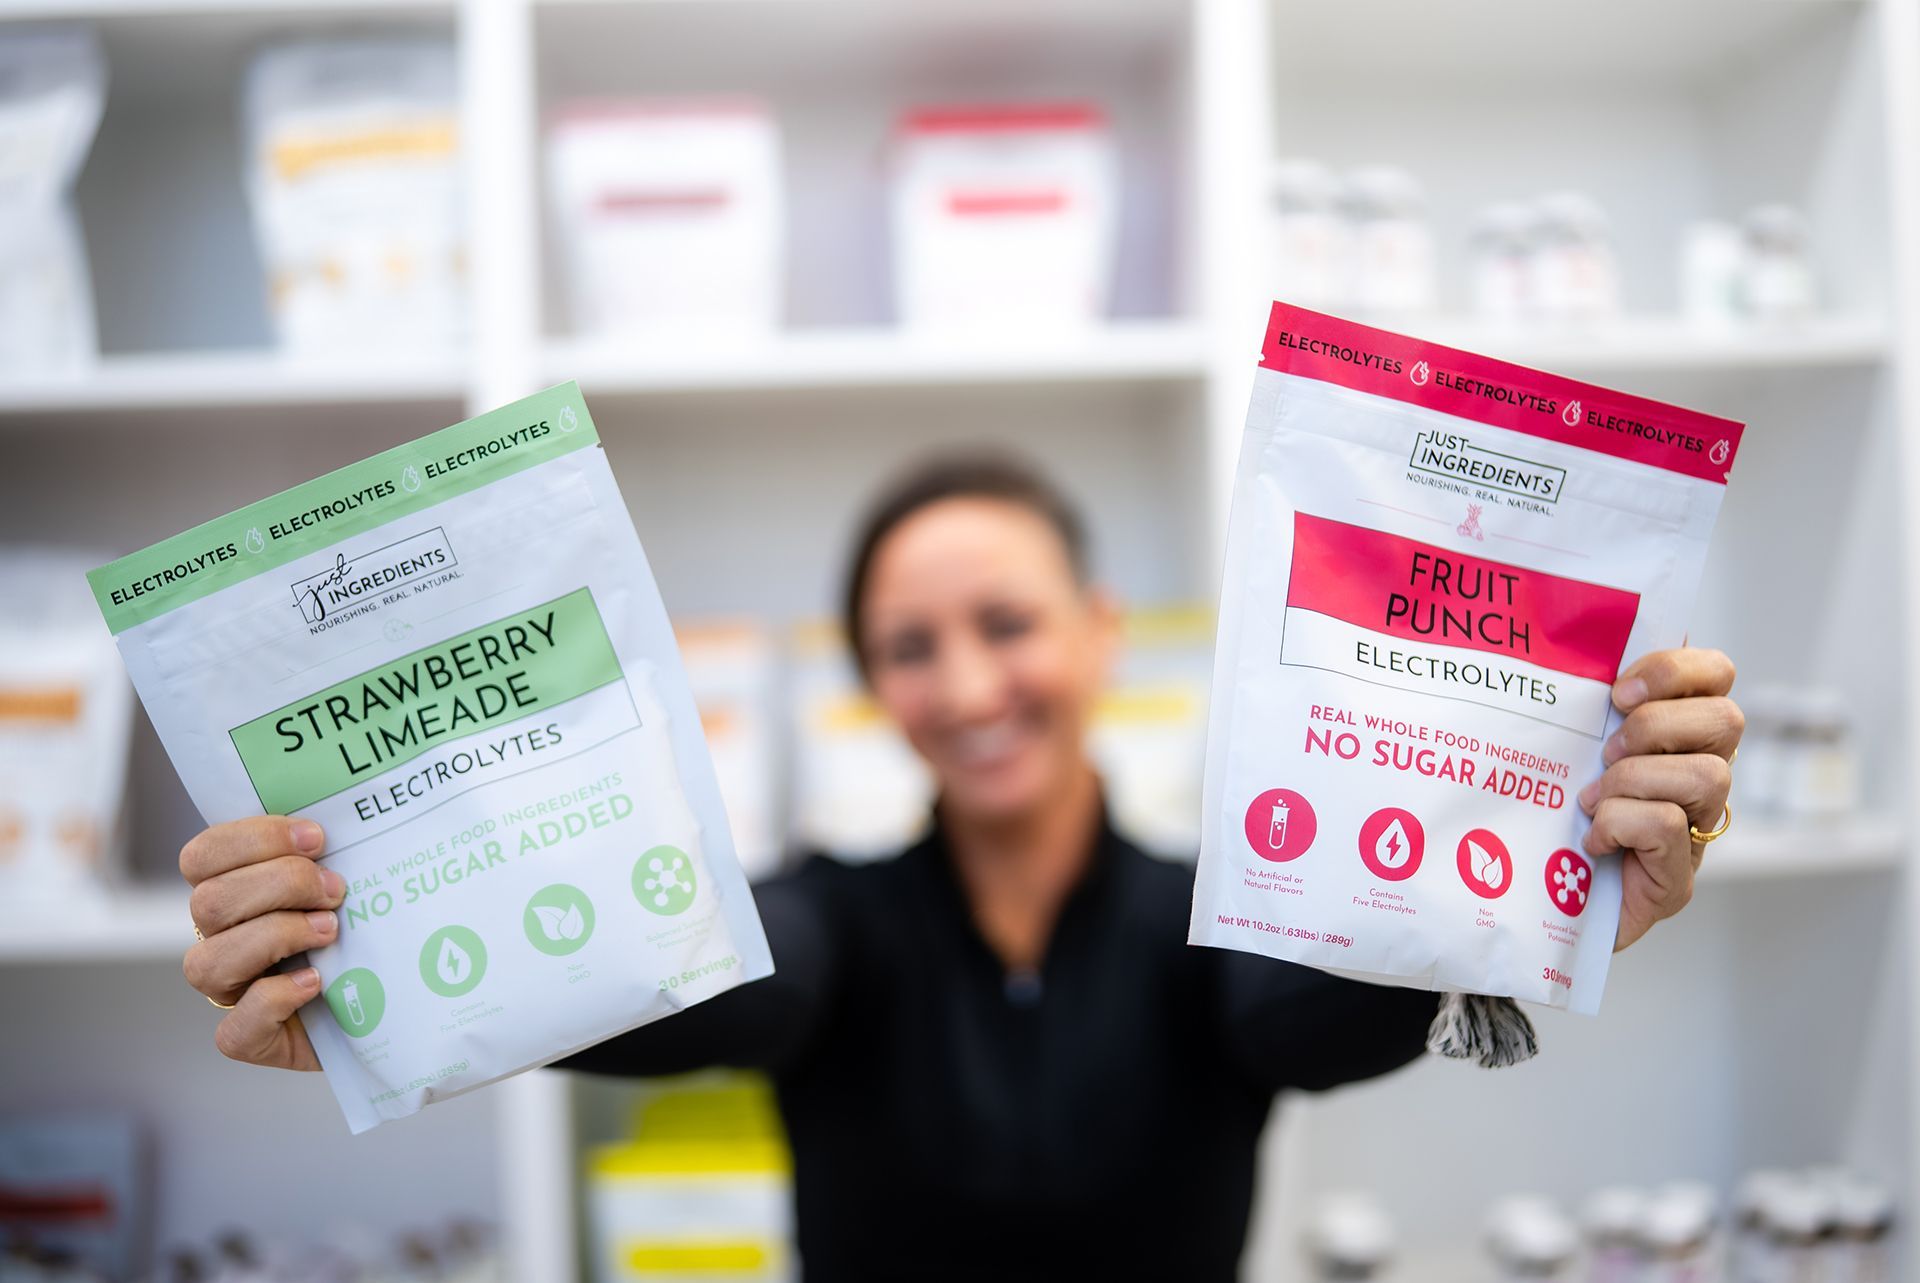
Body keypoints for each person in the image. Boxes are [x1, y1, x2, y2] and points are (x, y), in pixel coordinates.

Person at [176, 456, 1743, 1282]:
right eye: (911, 647)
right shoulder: (837, 928)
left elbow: (1308, 1022)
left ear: (1101, 633)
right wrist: (360, 960)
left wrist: (1551, 901)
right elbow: (700, 987)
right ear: (873, 686)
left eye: (1007, 623)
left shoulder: (1222, 923)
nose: (971, 683)